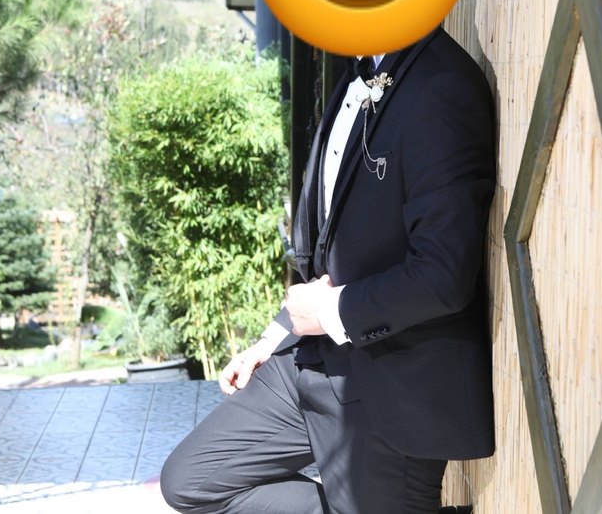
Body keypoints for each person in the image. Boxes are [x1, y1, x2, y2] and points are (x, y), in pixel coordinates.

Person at [160, 27, 496, 513]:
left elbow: (443, 274)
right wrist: (272, 338)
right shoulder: (360, 72)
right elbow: (334, 251)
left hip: (391, 381)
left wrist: (328, 312)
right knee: (192, 481)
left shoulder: (440, 86)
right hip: (311, 360)